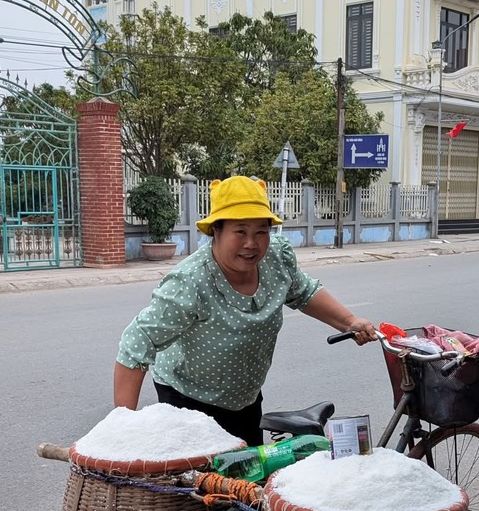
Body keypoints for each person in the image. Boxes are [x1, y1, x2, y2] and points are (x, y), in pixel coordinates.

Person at [113, 175, 377, 445]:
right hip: (188, 400)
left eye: (260, 231)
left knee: (249, 473)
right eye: (240, 232)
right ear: (216, 231)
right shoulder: (191, 282)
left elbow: (304, 292)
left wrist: (349, 321)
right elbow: (136, 343)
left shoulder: (276, 260)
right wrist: (124, 429)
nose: (252, 243)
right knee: (202, 482)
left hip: (244, 397)